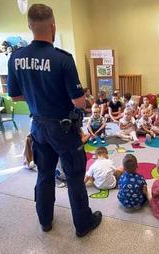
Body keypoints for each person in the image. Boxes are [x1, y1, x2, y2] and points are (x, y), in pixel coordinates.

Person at [7, 4, 101, 237]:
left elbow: (15, 95)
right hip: (64, 129)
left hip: (37, 125)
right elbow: (79, 102)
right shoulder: (63, 59)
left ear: (30, 26)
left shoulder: (16, 57)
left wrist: (37, 94)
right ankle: (82, 224)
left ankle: (45, 221)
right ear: (53, 26)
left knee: (45, 174)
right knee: (74, 176)